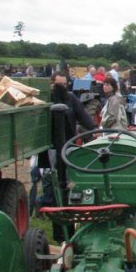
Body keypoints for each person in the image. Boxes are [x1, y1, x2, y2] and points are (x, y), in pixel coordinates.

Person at [45, 71, 96, 242]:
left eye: (64, 84)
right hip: (52, 148)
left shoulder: (71, 99)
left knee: (69, 183)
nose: (61, 87)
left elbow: (84, 118)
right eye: (58, 84)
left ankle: (70, 222)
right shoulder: (47, 99)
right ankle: (57, 224)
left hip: (69, 146)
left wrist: (94, 130)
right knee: (52, 183)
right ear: (51, 84)